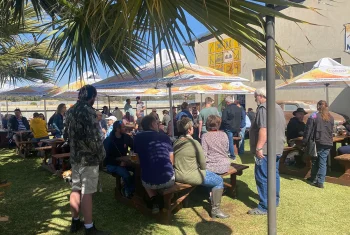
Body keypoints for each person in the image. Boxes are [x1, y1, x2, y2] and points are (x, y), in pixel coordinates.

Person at [64, 85, 107, 234]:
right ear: (92, 96)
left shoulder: (70, 111)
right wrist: (102, 155)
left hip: (75, 157)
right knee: (87, 191)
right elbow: (94, 138)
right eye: (94, 97)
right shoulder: (89, 111)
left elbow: (65, 135)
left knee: (75, 188)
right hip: (88, 158)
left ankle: (75, 222)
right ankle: (89, 227)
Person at [173, 117, 229, 219]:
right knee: (219, 181)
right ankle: (215, 210)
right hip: (192, 175)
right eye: (192, 127)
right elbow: (203, 163)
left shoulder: (176, 142)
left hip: (178, 175)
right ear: (189, 129)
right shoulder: (194, 143)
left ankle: (186, 200)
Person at [248, 87, 286, 215]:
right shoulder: (277, 107)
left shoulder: (264, 108)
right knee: (273, 175)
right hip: (276, 147)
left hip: (266, 149)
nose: (255, 99)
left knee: (262, 176)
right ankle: (274, 201)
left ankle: (264, 206)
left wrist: (259, 147)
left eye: (255, 96)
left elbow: (263, 129)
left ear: (260, 96)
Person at [133, 115, 174, 214]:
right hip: (168, 179)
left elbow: (138, 160)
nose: (158, 124)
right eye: (156, 122)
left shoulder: (137, 137)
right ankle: (158, 198)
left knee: (143, 175)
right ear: (152, 124)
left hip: (148, 181)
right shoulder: (164, 136)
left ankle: (154, 198)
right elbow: (171, 159)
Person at [303, 100, 334, 189]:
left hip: (318, 141)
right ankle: (314, 178)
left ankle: (319, 182)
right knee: (319, 161)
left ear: (318, 106)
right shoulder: (330, 117)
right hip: (328, 141)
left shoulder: (314, 116)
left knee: (318, 161)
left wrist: (304, 142)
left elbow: (308, 130)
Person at [104, 121, 134, 198]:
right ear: (117, 129)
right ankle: (127, 191)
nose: (125, 128)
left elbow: (134, 147)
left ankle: (133, 188)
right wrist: (119, 161)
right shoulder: (108, 140)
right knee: (126, 175)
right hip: (111, 164)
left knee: (138, 171)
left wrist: (131, 155)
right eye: (123, 127)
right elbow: (106, 158)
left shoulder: (126, 137)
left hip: (124, 162)